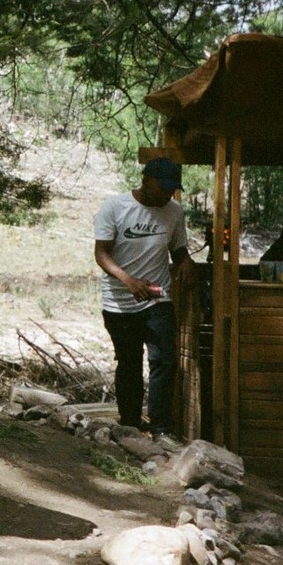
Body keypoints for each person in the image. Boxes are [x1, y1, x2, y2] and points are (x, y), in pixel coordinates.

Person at [93, 156, 194, 447]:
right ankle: (130, 425)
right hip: (119, 301)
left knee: (163, 360)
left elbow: (178, 248)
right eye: (163, 187)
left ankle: (161, 429)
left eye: (172, 189)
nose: (167, 195)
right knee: (129, 362)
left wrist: (185, 261)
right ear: (146, 180)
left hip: (157, 298)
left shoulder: (174, 213)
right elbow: (101, 254)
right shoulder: (115, 207)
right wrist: (128, 280)